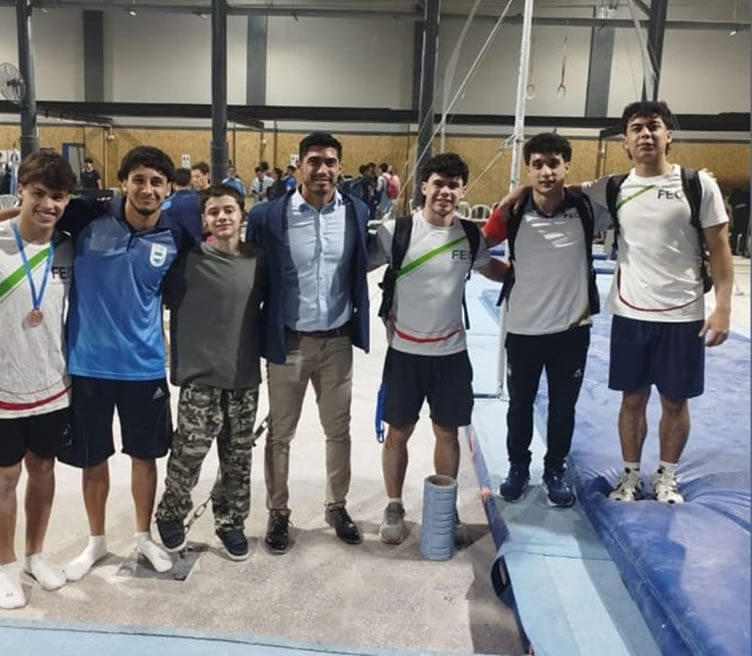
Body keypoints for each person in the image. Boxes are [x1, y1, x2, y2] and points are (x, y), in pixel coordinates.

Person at [0, 146, 202, 580]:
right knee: (93, 459)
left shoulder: (177, 235)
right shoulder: (89, 217)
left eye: (156, 182)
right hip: (86, 366)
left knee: (145, 459)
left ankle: (143, 537)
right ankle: (96, 541)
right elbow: (27, 211)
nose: (147, 189)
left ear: (168, 189)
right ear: (123, 183)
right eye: (138, 180)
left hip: (144, 366)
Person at [500, 101, 733, 504]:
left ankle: (667, 476)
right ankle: (630, 476)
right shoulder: (613, 188)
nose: (645, 134)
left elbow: (721, 247)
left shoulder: (697, 185)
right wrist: (523, 188)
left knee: (675, 401)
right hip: (630, 312)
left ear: (668, 135)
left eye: (653, 126)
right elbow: (559, 187)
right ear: (625, 141)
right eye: (636, 128)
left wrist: (723, 307)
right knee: (632, 399)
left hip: (683, 313)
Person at [0, 151, 77, 609]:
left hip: (53, 383)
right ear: (19, 190)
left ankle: (34, 555)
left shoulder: (69, 244)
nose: (48, 204)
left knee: (43, 470)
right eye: (38, 193)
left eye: (58, 196)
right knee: (4, 476)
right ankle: (5, 568)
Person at [368, 153, 508, 544]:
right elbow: (355, 266)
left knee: (448, 433)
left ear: (463, 191)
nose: (445, 191)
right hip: (405, 353)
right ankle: (394, 505)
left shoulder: (471, 236)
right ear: (424, 187)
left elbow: (491, 269)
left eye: (453, 185)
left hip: (451, 355)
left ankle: (444, 506)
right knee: (398, 433)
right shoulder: (396, 232)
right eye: (439, 184)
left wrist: (533, 274)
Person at [245, 132, 370, 554]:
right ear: (298, 164)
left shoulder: (356, 211)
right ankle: (278, 510)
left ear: (340, 167)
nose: (322, 169)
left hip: (337, 341)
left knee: (339, 431)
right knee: (280, 433)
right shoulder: (268, 216)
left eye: (330, 162)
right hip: (289, 341)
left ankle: (337, 505)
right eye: (314, 161)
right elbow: (253, 276)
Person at [483, 133, 599, 507]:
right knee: (519, 405)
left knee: (563, 408)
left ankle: (554, 470)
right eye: (538, 165)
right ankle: (518, 466)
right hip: (523, 329)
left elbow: (627, 192)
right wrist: (506, 275)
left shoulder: (586, 207)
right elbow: (477, 250)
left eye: (553, 163)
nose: (546, 171)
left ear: (567, 166)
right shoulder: (512, 212)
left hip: (572, 330)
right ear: (528, 169)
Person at [155, 184, 265, 561]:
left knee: (238, 458)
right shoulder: (187, 261)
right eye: (214, 211)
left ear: (242, 215)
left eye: (229, 210)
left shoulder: (258, 261)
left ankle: (231, 521)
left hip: (243, 377)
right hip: (200, 377)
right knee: (188, 453)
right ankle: (171, 512)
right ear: (204, 220)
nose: (222, 217)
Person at [162, 168, 202, 234]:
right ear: (191, 182)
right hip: (198, 238)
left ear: (173, 184)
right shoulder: (200, 201)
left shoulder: (166, 204)